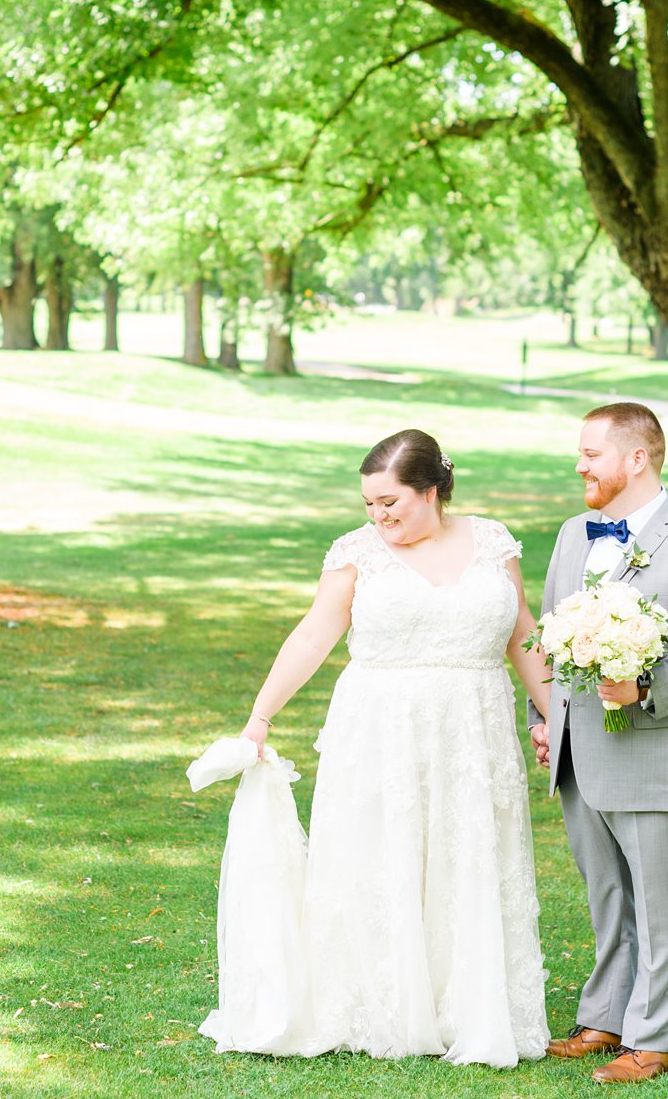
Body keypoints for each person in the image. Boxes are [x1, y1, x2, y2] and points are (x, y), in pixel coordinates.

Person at [230, 428, 553, 1067]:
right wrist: (258, 718)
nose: (379, 517)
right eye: (369, 505)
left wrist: (557, 717)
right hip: (380, 728)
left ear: (432, 491)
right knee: (382, 854)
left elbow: (524, 636)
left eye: (390, 502)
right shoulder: (357, 554)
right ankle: (379, 1002)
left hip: (473, 727)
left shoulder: (492, 541)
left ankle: (464, 1006)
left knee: (468, 853)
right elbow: (314, 634)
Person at [528, 403, 668, 1084]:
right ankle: (604, 1018)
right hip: (579, 755)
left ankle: (653, 1040)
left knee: (660, 903)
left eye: (591, 453)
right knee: (607, 898)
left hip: (658, 754)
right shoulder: (573, 534)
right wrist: (545, 721)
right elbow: (550, 633)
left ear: (636, 459)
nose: (579, 465)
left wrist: (646, 686)